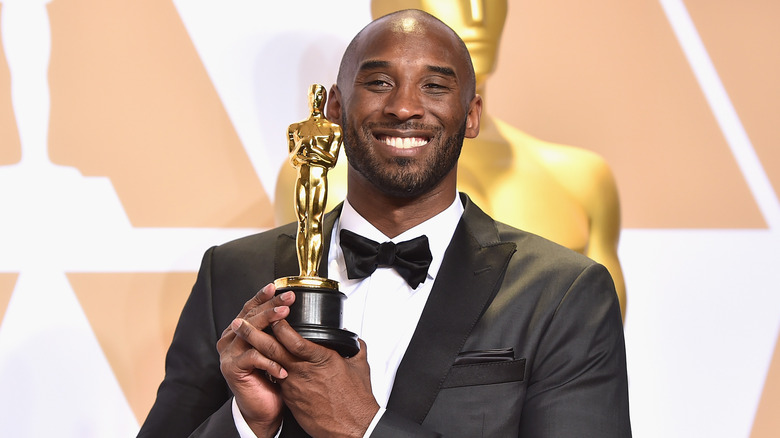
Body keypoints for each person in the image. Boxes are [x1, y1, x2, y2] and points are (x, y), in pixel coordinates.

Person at [139, 9, 631, 438]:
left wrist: (364, 428)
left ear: (472, 114)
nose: (404, 107)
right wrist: (248, 424)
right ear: (335, 105)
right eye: (378, 82)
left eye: (435, 86)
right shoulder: (232, 273)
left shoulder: (562, 292)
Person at [275, 0, 627, 319]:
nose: (476, 13)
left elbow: (592, 357)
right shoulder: (315, 175)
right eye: (380, 82)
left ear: (472, 115)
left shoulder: (580, 178)